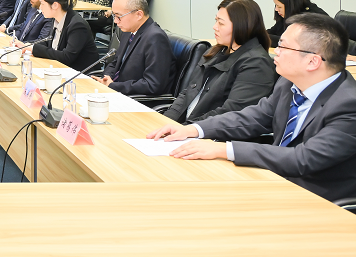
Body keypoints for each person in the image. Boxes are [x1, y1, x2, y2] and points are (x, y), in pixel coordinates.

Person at [149, 14, 356, 204]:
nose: (276, 52)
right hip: (272, 181)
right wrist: (194, 129)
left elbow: (303, 159)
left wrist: (224, 149)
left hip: (317, 199)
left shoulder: (348, 105)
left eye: (283, 47)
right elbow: (253, 117)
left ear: (312, 61)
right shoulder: (288, 83)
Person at [163, 0, 276, 124]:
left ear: (242, 26)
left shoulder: (256, 64)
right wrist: (165, 122)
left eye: (221, 23)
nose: (214, 27)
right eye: (216, 21)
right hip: (188, 128)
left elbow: (231, 113)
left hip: (208, 132)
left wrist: (187, 129)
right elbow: (187, 93)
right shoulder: (215, 51)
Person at [97, 0, 174, 96]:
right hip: (118, 92)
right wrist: (106, 78)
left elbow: (153, 85)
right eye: (114, 16)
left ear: (139, 14)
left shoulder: (155, 38)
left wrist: (114, 86)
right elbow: (116, 63)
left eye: (119, 16)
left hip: (135, 99)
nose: (115, 21)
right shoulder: (128, 31)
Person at [29, 0, 98, 70]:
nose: (40, 7)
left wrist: (34, 49)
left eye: (42, 3)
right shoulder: (55, 19)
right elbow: (48, 43)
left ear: (55, 5)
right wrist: (27, 45)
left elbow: (66, 57)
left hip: (81, 74)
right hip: (60, 70)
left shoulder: (77, 25)